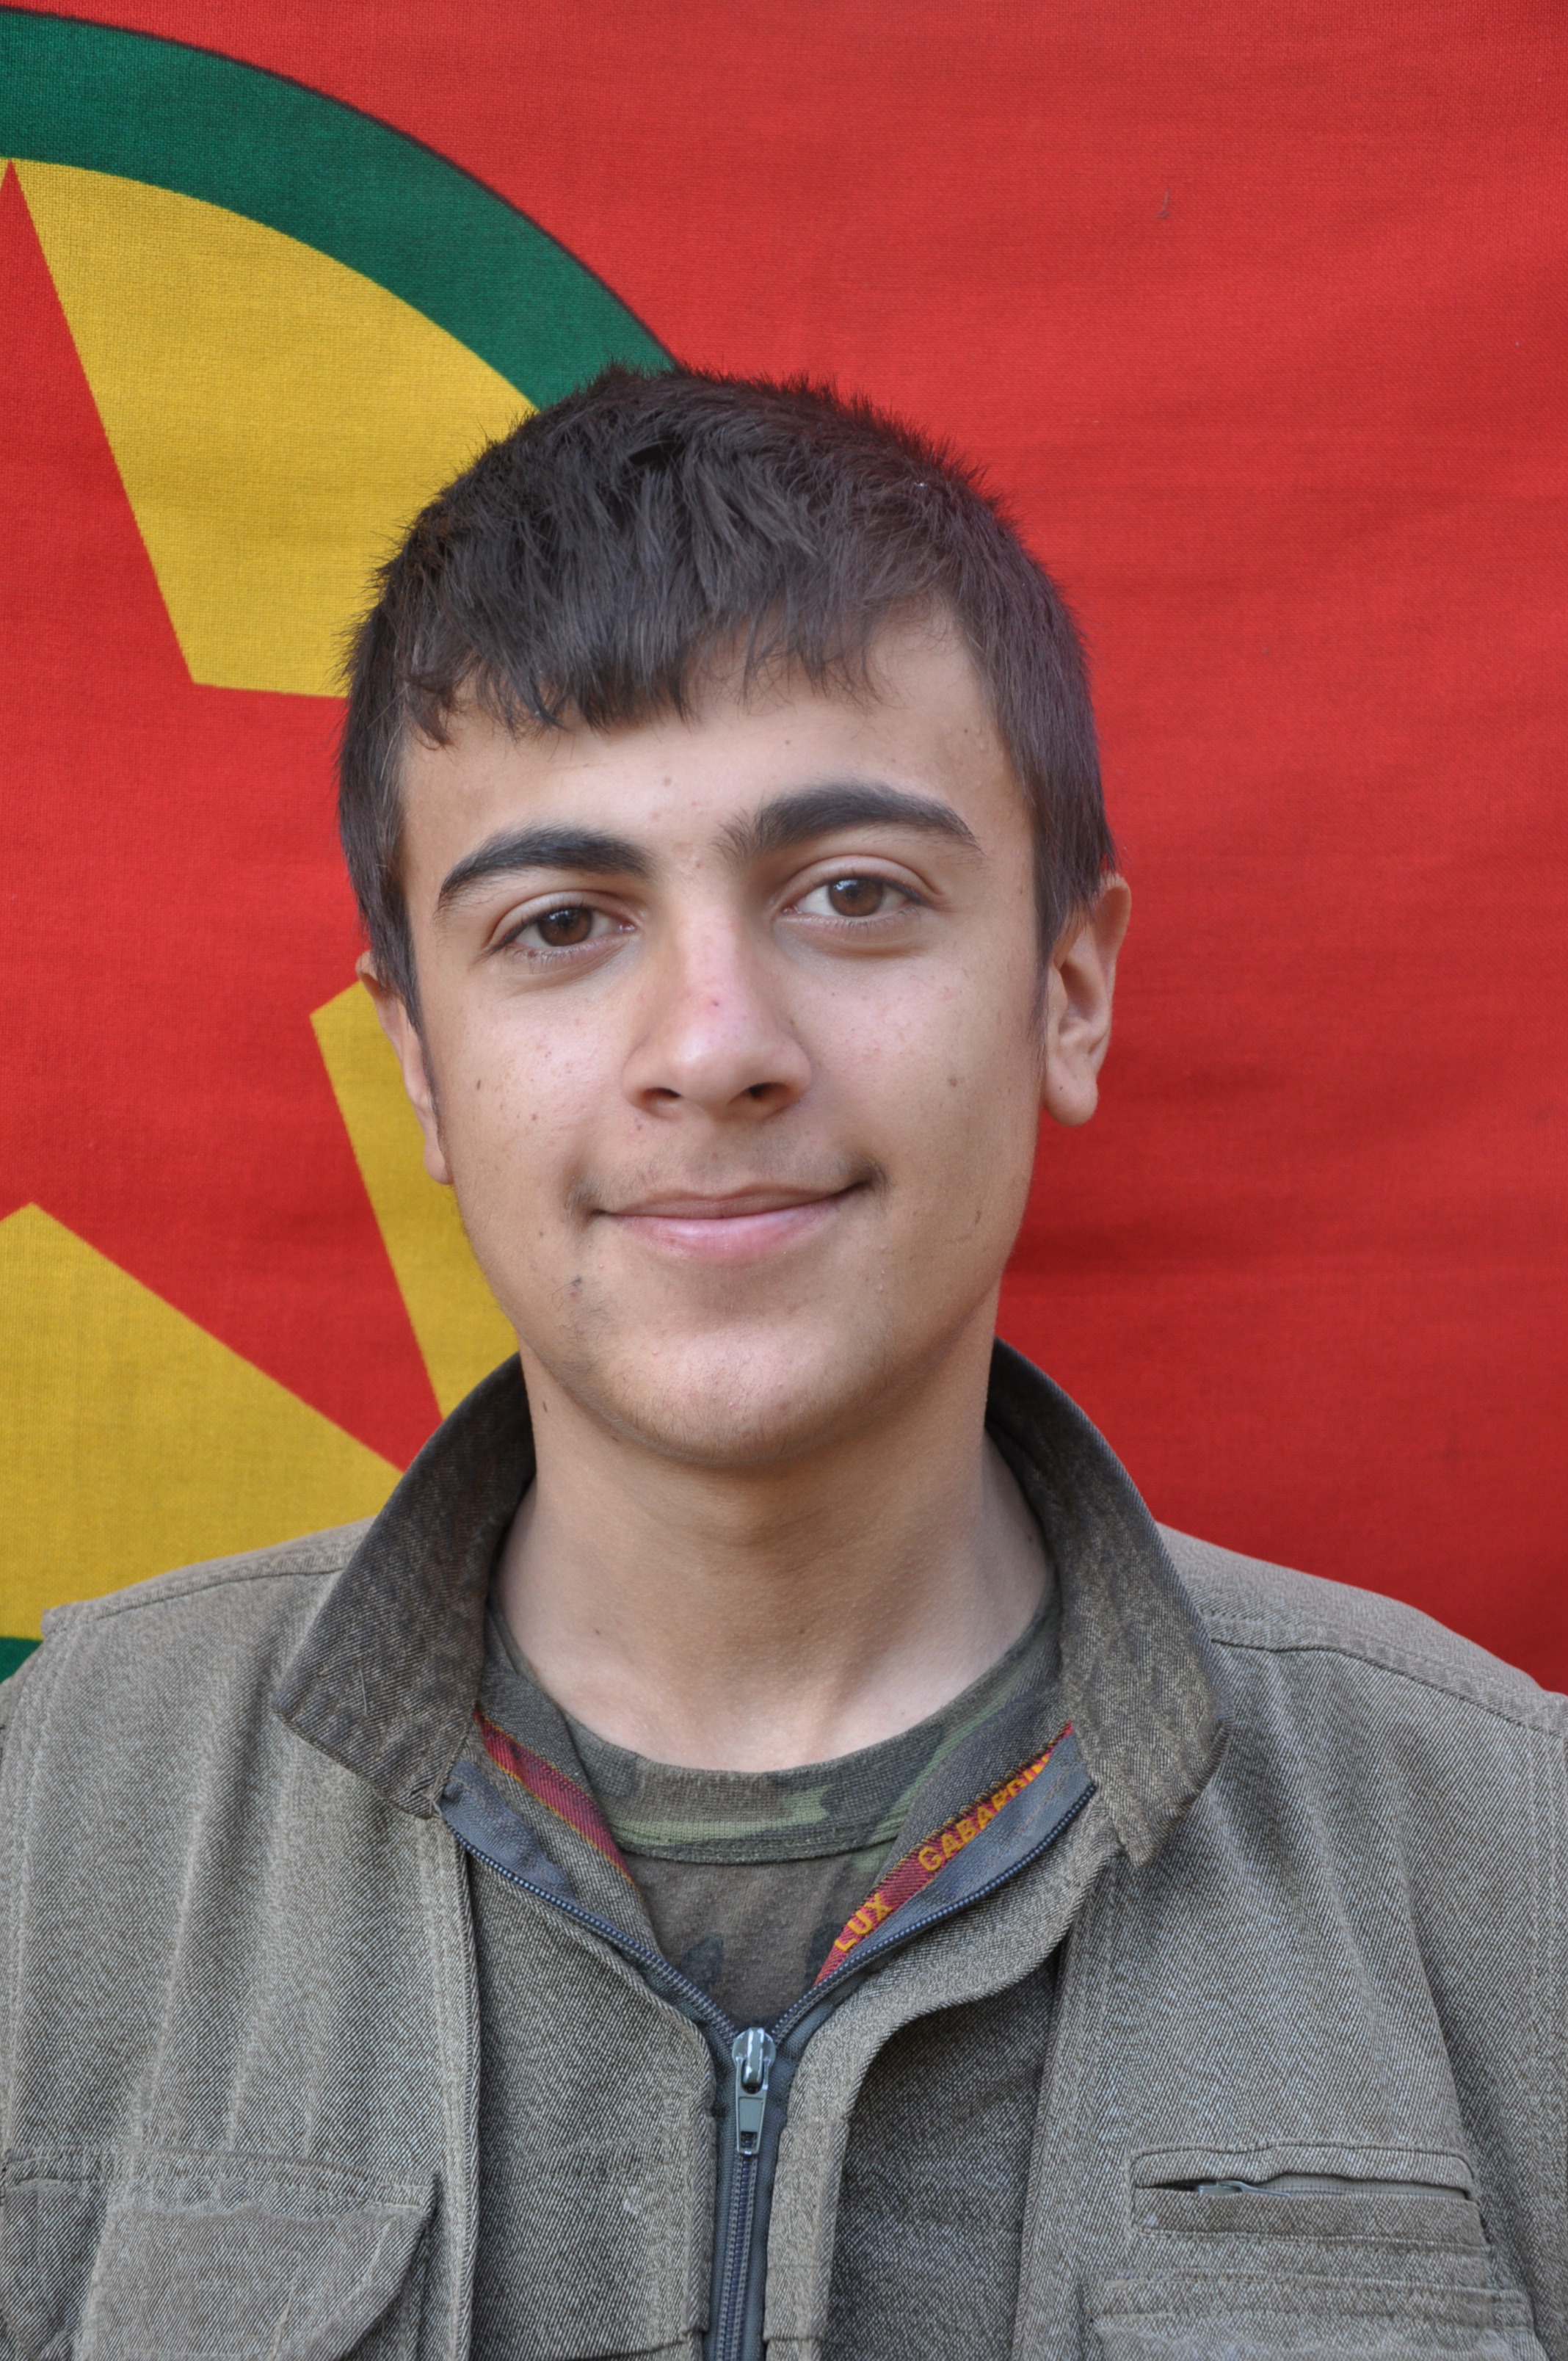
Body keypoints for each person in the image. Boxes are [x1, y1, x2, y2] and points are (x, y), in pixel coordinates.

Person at [2, 371, 1561, 2361]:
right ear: (421, 1065)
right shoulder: (52, 1825)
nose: (715, 1045)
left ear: (1067, 990)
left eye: (853, 895)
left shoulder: (1508, 1863)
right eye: (561, 924)